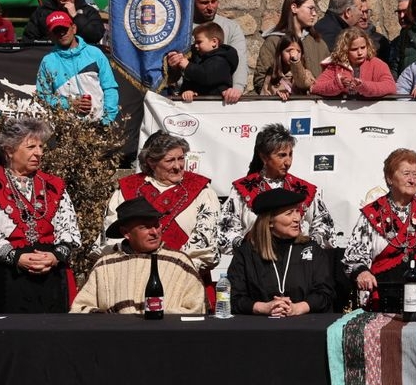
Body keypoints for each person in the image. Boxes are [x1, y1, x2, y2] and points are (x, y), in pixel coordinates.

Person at [0, 116, 80, 314]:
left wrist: (54, 256)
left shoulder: (54, 185)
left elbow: (69, 228)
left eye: (41, 147)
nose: (38, 153)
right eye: (31, 147)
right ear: (9, 150)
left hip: (50, 274)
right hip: (1, 272)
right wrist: (16, 257)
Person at [102, 131, 220, 280]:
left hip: (185, 278)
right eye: (170, 160)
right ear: (151, 162)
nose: (178, 166)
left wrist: (170, 271)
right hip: (131, 277)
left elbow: (205, 242)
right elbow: (112, 233)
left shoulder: (202, 190)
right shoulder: (128, 188)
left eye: (181, 158)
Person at [343, 149, 416, 310]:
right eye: (407, 174)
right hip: (380, 297)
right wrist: (362, 272)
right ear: (389, 178)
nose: (412, 180)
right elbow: (354, 257)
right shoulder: (372, 213)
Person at [70, 198, 206, 314]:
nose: (154, 232)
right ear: (126, 233)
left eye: (156, 225)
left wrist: (155, 317)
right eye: (145, 227)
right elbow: (80, 308)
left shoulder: (179, 262)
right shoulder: (105, 266)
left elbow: (197, 308)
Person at [218, 123, 336, 254]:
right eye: (281, 155)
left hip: (294, 264)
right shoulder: (242, 189)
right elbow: (225, 231)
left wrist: (307, 246)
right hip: (255, 264)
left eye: (290, 154)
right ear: (264, 157)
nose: (288, 162)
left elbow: (324, 225)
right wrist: (247, 247)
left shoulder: (302, 188)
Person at [228, 188, 336, 316]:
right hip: (258, 329)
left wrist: (298, 308)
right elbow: (234, 297)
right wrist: (264, 308)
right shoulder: (247, 252)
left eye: (297, 211)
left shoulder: (312, 249)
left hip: (306, 327)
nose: (297, 218)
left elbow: (326, 293)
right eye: (289, 213)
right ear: (270, 221)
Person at [35, 10, 120, 125]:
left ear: (74, 28)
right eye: (56, 31)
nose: (62, 34)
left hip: (99, 125)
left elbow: (109, 87)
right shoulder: (48, 61)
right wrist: (70, 103)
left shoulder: (95, 53)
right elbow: (42, 96)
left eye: (64, 29)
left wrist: (107, 120)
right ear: (51, 35)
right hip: (67, 129)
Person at [253, 0, 330, 93]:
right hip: (283, 105)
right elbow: (260, 79)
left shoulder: (319, 43)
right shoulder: (274, 41)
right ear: (294, 8)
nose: (314, 13)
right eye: (310, 9)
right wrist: (280, 90)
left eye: (314, 9)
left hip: (316, 105)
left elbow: (329, 75)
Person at [187, 0, 248, 102]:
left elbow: (240, 59)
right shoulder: (182, 27)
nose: (210, 7)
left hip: (222, 97)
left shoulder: (231, 27)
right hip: (189, 97)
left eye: (214, 1)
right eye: (204, 3)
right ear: (193, 1)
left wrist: (237, 88)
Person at [311, 26, 397, 98]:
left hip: (370, 114)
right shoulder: (336, 66)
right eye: (354, 49)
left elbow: (390, 86)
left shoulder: (377, 64)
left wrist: (364, 86)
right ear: (345, 50)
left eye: (363, 47)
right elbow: (315, 87)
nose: (360, 53)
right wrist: (338, 83)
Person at [166, 21, 239, 101]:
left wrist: (187, 66)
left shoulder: (221, 60)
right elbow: (192, 80)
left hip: (215, 105)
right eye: (195, 42)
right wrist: (189, 91)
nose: (196, 46)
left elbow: (206, 76)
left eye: (199, 42)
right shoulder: (198, 58)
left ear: (214, 42)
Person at [24, 0, 105, 45]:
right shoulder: (43, 11)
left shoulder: (88, 10)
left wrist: (76, 16)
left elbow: (95, 36)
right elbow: (28, 38)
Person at [258, 34, 315, 101]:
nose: (293, 54)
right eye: (289, 51)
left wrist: (296, 62)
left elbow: (302, 83)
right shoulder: (272, 75)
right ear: (280, 53)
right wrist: (276, 95)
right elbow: (264, 97)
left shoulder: (306, 74)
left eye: (298, 51)